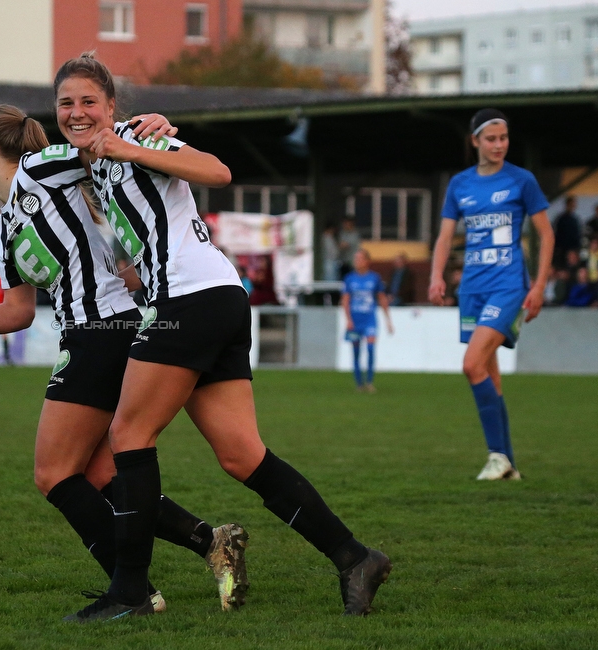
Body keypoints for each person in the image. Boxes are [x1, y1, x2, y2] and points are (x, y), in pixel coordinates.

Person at [52, 53, 391, 622]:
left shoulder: (138, 136)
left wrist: (134, 143)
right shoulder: (95, 170)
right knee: (241, 454)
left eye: (90, 101)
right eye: (67, 103)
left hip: (191, 300)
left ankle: (129, 592)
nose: (78, 112)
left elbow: (217, 172)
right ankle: (355, 558)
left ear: (112, 107)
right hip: (219, 297)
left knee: (129, 433)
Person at [0, 104, 250, 615]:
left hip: (107, 325)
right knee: (102, 475)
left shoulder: (44, 168)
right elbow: (19, 313)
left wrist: (149, 128)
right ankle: (210, 542)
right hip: (85, 333)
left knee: (53, 473)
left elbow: (103, 149)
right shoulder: (3, 229)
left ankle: (133, 589)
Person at [429, 108, 554, 481]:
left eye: (504, 138)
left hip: (509, 285)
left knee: (471, 365)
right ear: (475, 142)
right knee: (488, 374)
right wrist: (437, 276)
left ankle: (497, 457)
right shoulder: (460, 184)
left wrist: (539, 285)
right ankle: (507, 463)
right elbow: (445, 236)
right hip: (472, 288)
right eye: (491, 139)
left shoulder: (522, 180)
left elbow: (546, 234)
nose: (499, 145)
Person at [342, 249, 394, 393]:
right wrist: (348, 320)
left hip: (370, 319)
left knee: (371, 349)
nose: (356, 261)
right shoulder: (349, 278)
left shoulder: (374, 278)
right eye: (355, 259)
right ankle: (359, 384)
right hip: (355, 320)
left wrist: (388, 320)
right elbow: (345, 301)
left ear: (367, 261)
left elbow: (381, 298)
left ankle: (369, 382)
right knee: (356, 351)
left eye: (359, 258)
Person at [552, 195, 581, 269]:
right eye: (572, 204)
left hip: (573, 249)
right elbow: (557, 234)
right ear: (567, 205)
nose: (573, 206)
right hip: (562, 250)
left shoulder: (575, 219)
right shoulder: (561, 219)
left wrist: (575, 249)